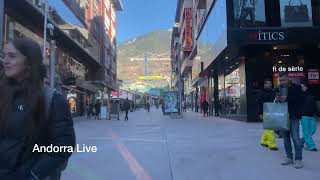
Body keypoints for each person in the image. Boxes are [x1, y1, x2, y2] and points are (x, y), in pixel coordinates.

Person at [0, 38, 76, 179]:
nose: (5, 61)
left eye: (12, 56)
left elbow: (64, 145)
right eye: (4, 55)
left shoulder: (51, 99)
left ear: (29, 62)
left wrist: (35, 174)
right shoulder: (3, 95)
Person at [277, 72, 304, 169]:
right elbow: (277, 101)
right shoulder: (279, 88)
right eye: (280, 80)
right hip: (283, 117)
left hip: (294, 116)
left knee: (296, 138)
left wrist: (286, 99)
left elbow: (300, 100)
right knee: (285, 139)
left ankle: (298, 159)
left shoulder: (297, 87)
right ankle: (289, 157)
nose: (281, 82)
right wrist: (278, 99)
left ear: (288, 79)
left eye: (283, 80)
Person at [257, 79, 278, 151]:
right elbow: (259, 104)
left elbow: (275, 101)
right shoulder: (261, 92)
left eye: (270, 83)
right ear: (264, 84)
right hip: (265, 111)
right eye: (267, 83)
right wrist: (260, 113)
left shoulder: (273, 91)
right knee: (270, 128)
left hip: (272, 111)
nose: (269, 85)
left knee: (268, 128)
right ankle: (272, 144)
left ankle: (263, 140)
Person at [300, 82, 318, 151]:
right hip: (303, 115)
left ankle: (302, 141)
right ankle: (311, 146)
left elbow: (314, 105)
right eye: (301, 87)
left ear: (306, 87)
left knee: (313, 130)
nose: (302, 88)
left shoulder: (310, 95)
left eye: (303, 86)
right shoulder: (299, 95)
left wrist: (316, 114)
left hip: (312, 115)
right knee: (306, 131)